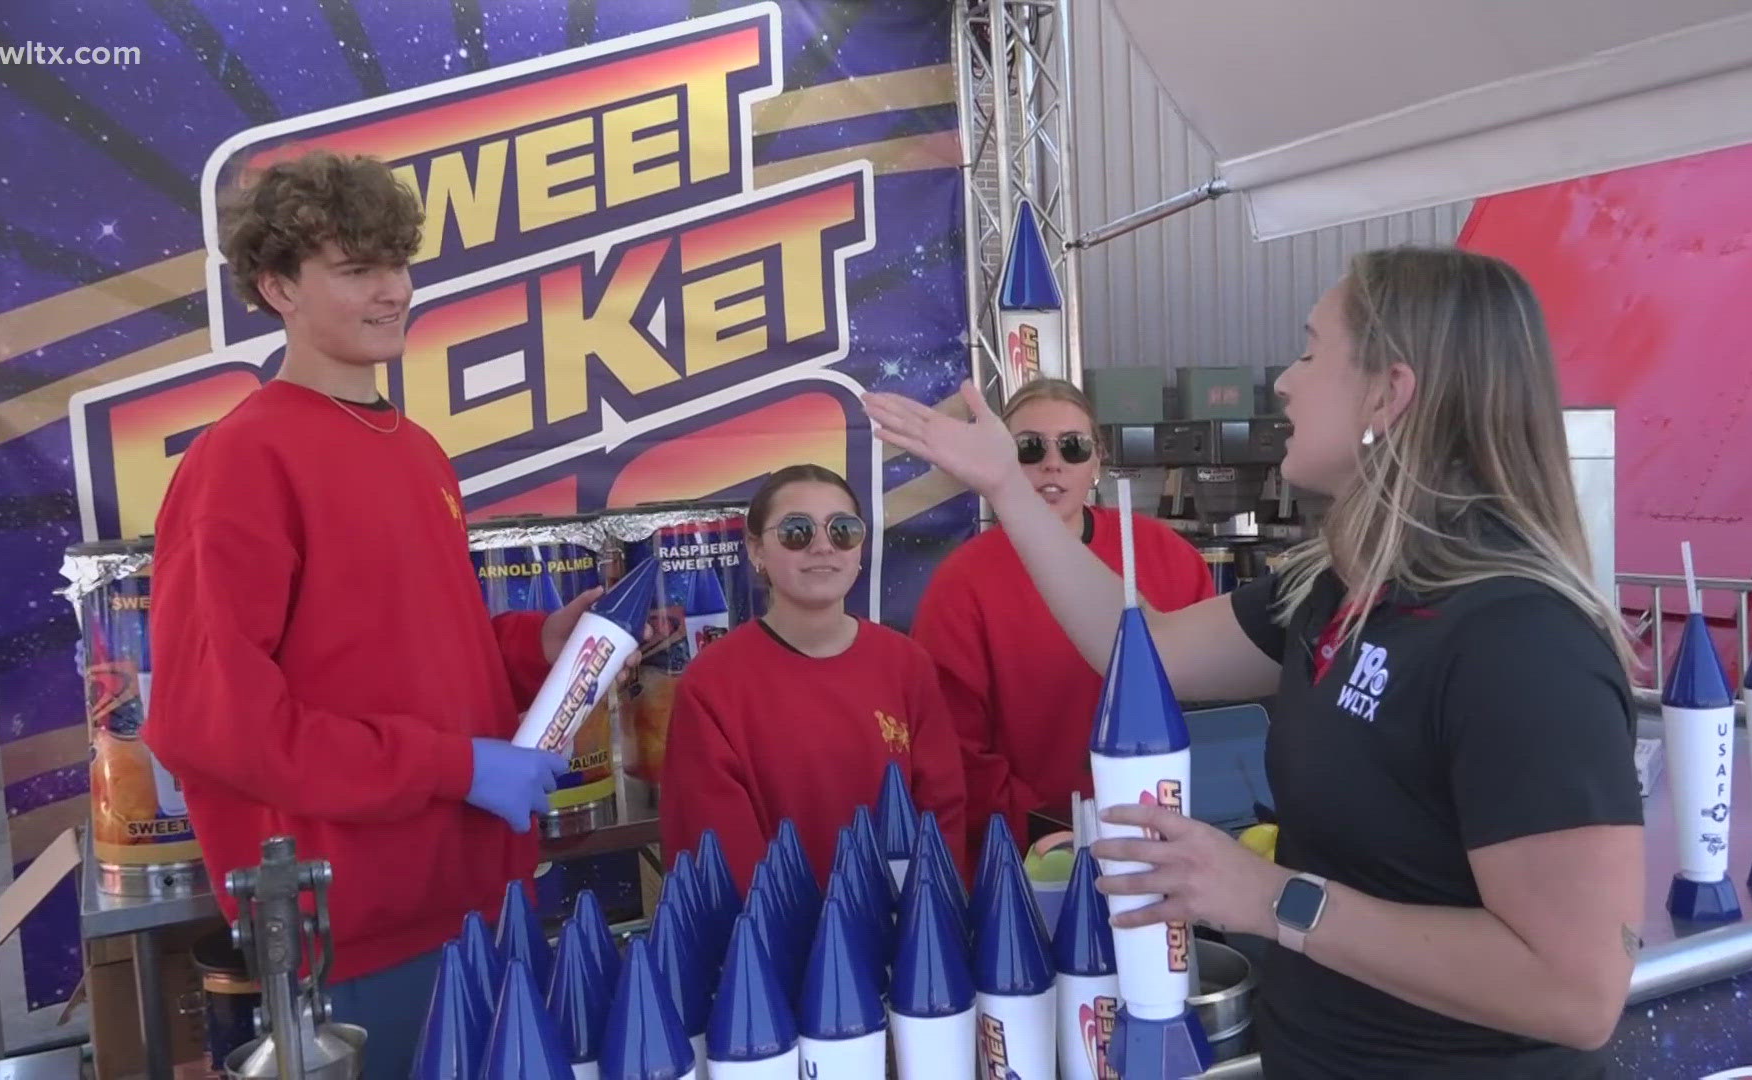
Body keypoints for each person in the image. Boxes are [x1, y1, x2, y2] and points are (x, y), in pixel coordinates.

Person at [867, 247, 1645, 1077]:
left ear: (1391, 393)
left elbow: (1577, 992)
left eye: (1311, 352)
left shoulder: (1520, 639)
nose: (1283, 382)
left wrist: (1270, 898)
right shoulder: (1335, 590)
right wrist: (1008, 490)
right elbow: (1147, 650)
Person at [145, 152, 625, 1078]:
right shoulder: (241, 462)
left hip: (482, 896)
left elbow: (400, 654)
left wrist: (534, 649)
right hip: (359, 936)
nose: (393, 291)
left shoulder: (416, 450)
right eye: (356, 270)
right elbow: (217, 725)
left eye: (397, 264)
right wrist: (456, 766)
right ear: (278, 287)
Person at [911, 377, 1213, 854]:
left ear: (1097, 460)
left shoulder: (1167, 556)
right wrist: (1041, 826)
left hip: (1169, 834)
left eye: (1073, 446)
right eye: (1029, 447)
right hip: (1038, 850)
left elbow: (1215, 710)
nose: (1052, 462)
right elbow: (954, 746)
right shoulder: (961, 583)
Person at [660, 465, 969, 891]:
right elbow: (717, 855)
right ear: (756, 551)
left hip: (902, 933)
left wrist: (926, 922)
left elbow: (942, 817)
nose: (823, 546)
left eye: (842, 530)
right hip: (778, 941)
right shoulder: (712, 684)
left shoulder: (906, 664)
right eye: (796, 531)